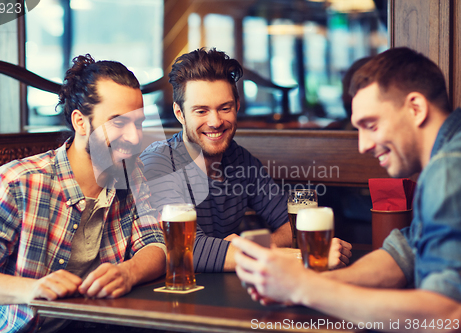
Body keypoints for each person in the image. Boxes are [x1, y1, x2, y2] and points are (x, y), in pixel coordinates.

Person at [233, 47, 461, 329]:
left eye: (371, 125)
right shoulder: (446, 157)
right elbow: (406, 252)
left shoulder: (449, 168)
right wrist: (305, 283)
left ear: (416, 108)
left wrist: (304, 287)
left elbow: (448, 313)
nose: (363, 145)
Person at [0, 55, 166, 332]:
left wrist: (128, 272)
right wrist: (31, 289)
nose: (133, 137)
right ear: (80, 122)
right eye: (118, 122)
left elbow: (156, 245)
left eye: (138, 123)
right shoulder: (18, 183)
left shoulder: (131, 172)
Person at [140, 48, 351, 273]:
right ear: (179, 113)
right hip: (169, 293)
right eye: (201, 111)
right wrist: (308, 257)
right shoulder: (158, 163)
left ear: (237, 106)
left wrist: (251, 248)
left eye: (224, 108)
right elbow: (187, 248)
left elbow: (292, 225)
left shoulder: (239, 159)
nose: (215, 121)